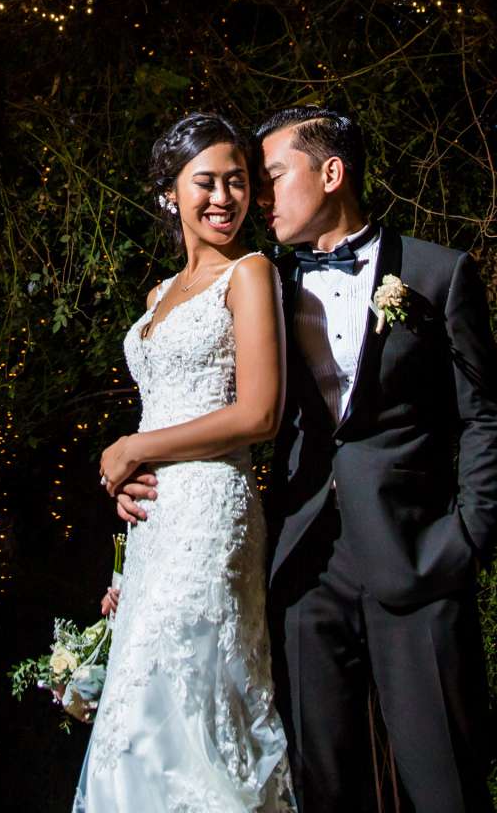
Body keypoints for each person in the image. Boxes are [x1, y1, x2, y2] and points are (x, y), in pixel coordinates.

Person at [118, 105, 497, 811]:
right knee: (320, 789)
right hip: (302, 568)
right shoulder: (262, 285)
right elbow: (202, 403)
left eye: (269, 179)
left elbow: (482, 415)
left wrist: (470, 535)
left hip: (416, 558)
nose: (258, 201)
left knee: (446, 782)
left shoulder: (437, 274)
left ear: (331, 173)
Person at [78, 112, 293, 811]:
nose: (223, 198)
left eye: (237, 182)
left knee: (189, 702)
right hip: (155, 521)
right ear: (170, 192)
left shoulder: (251, 273)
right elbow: (163, 410)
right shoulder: (156, 297)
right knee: (140, 703)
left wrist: (137, 447)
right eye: (206, 182)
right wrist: (130, 475)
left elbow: (258, 413)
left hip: (212, 513)